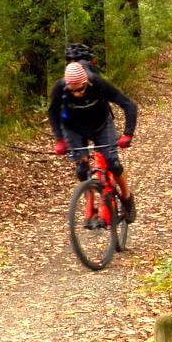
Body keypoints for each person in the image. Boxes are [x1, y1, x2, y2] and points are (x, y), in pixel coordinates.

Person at [49, 58, 137, 224]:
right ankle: (90, 201)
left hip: (101, 125)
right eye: (72, 90)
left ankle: (127, 198)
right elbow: (53, 112)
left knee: (112, 162)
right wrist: (59, 139)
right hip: (74, 128)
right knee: (82, 170)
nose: (77, 93)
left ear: (86, 82)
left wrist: (128, 134)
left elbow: (129, 104)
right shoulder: (60, 88)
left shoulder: (98, 84)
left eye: (81, 89)